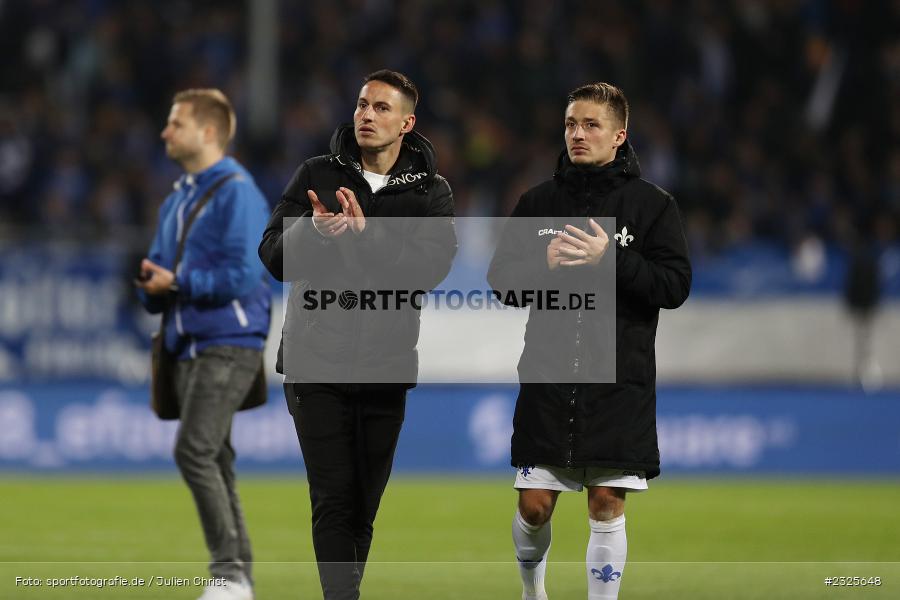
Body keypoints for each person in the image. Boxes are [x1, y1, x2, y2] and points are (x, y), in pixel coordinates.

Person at [488, 82, 691, 600]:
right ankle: (535, 595)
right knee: (533, 505)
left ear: (619, 135)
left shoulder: (653, 207)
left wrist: (611, 260)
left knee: (606, 502)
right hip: (550, 379)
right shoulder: (539, 202)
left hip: (619, 381)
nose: (578, 134)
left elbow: (674, 287)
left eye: (591, 125)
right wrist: (543, 265)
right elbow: (501, 281)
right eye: (571, 124)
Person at [258, 70, 456, 600]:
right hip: (314, 361)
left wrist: (369, 237)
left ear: (407, 123)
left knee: (364, 502)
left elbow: (431, 267)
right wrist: (315, 236)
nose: (367, 115)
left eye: (382, 108)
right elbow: (273, 256)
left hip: (385, 365)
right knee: (332, 496)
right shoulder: (315, 175)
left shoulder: (432, 194)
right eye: (362, 104)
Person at [136, 88, 271, 600]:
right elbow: (160, 272)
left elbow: (244, 272)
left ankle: (230, 575)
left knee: (194, 450)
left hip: (229, 340)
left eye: (176, 123)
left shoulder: (238, 192)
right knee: (215, 458)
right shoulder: (176, 199)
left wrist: (175, 282)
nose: (165, 132)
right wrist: (154, 287)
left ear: (208, 132)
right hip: (186, 346)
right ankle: (239, 580)